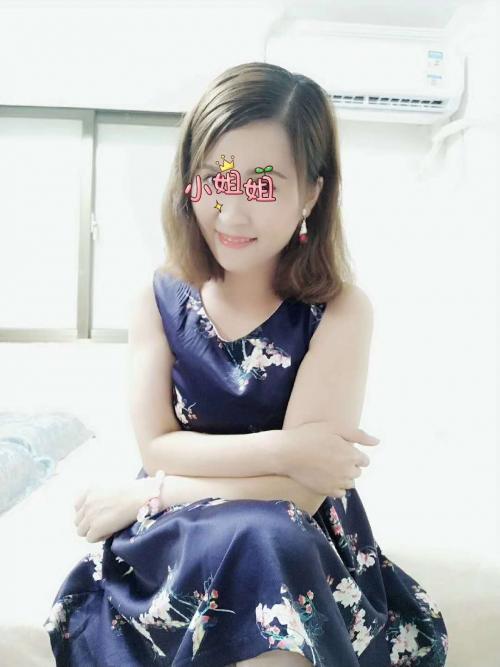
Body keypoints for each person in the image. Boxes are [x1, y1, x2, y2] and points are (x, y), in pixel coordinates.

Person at [44, 62, 448, 666]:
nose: (232, 212)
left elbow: (301, 493)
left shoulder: (339, 310)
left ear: (311, 193)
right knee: (267, 538)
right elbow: (159, 445)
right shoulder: (158, 297)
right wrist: (286, 447)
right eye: (215, 178)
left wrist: (148, 494)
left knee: (273, 534)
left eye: (263, 185)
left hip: (291, 535)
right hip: (182, 531)